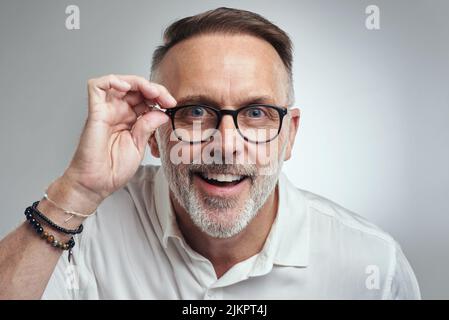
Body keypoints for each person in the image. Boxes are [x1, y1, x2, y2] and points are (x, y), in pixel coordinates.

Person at [0, 7, 420, 299]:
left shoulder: (372, 266)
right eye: (196, 111)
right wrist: (77, 190)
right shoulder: (83, 232)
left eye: (255, 112)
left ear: (289, 135)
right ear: (153, 131)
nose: (225, 143)